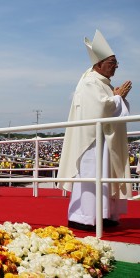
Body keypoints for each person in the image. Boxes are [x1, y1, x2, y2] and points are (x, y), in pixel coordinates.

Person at [57, 29, 133, 231]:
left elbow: (109, 106)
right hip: (92, 142)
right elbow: (100, 108)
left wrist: (118, 97)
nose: (116, 67)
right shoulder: (90, 82)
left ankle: (105, 214)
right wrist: (118, 97)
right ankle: (85, 216)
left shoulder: (102, 82)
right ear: (99, 64)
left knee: (105, 175)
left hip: (105, 139)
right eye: (112, 63)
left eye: (116, 63)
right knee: (93, 175)